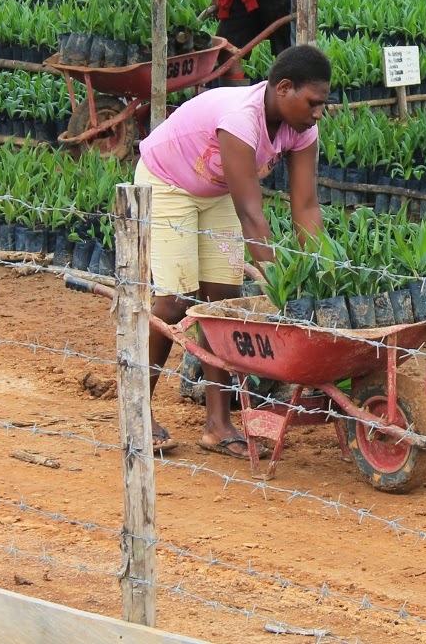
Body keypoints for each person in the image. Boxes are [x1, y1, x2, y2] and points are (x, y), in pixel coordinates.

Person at [134, 43, 330, 458]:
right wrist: (282, 289)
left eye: (322, 105)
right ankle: (135, 409)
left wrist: (318, 273)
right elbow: (251, 214)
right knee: (176, 299)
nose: (317, 113)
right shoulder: (243, 120)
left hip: (213, 191)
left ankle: (218, 426)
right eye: (313, 103)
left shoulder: (302, 131)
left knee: (222, 303)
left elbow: (306, 208)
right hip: (168, 181)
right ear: (284, 88)